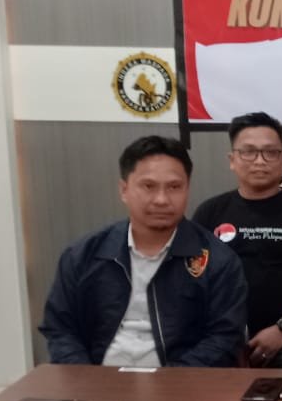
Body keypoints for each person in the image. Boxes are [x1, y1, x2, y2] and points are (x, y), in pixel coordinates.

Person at [41, 136, 247, 367]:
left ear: (187, 189)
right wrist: (86, 378)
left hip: (181, 381)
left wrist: (171, 381)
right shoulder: (83, 255)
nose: (161, 200)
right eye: (148, 186)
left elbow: (224, 338)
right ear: (124, 190)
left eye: (174, 187)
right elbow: (61, 328)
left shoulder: (219, 261)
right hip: (98, 377)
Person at [192, 112, 282, 369]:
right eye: (248, 152)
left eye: (269, 152)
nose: (259, 161)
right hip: (222, 334)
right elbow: (193, 279)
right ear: (232, 160)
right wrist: (224, 335)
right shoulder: (210, 212)